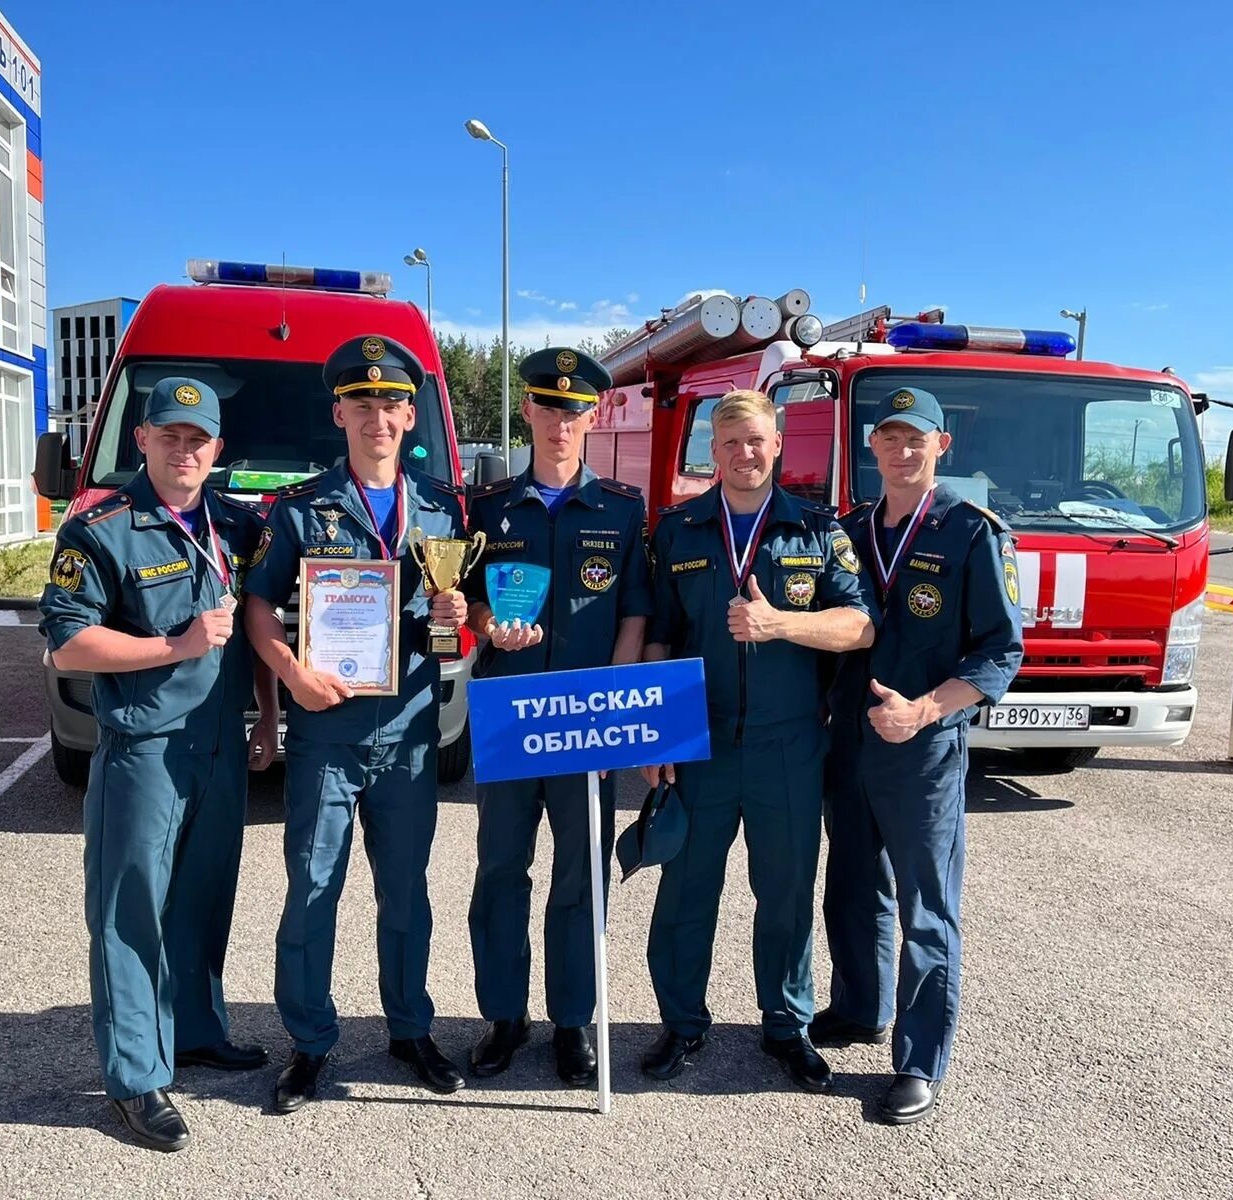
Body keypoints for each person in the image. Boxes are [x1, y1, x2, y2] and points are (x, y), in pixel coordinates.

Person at [38, 376, 279, 1153]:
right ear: (142, 440)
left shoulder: (238, 525)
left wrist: (270, 716)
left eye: (198, 438)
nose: (185, 449)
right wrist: (171, 647)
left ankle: (197, 1029)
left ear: (218, 448)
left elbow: (253, 627)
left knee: (204, 898)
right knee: (129, 912)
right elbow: (67, 643)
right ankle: (136, 1076)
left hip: (218, 743)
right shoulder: (102, 531)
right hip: (145, 747)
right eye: (170, 435)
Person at [242, 334, 470, 1113]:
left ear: (412, 416)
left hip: (408, 731)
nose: (379, 415)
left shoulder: (440, 508)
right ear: (339, 410)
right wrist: (293, 678)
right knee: (312, 889)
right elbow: (259, 606)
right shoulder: (302, 508)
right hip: (328, 733)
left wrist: (454, 616)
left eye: (393, 403)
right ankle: (309, 1044)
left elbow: (449, 636)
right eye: (364, 402)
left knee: (405, 894)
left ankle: (409, 1029)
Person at [637, 388, 875, 1092]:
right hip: (699, 740)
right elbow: (659, 635)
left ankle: (786, 1027)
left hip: (788, 744)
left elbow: (859, 627)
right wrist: (657, 737)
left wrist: (781, 625)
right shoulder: (678, 530)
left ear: (778, 446)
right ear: (715, 450)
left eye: (757, 441)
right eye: (731, 441)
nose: (745, 453)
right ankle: (681, 1024)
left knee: (786, 891)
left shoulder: (816, 531)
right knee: (687, 891)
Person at [816, 385, 1023, 1124]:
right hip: (849, 741)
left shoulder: (972, 532)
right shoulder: (845, 530)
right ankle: (858, 1009)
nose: (902, 451)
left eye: (917, 439)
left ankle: (919, 1060)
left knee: (926, 907)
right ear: (871, 447)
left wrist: (928, 709)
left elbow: (1002, 650)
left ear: (942, 447)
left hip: (924, 748)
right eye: (889, 438)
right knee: (850, 884)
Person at [460, 347, 650, 1086]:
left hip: (586, 719)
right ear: (528, 412)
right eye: (547, 406)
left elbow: (635, 608)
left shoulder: (624, 510)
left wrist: (618, 693)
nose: (560, 421)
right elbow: (464, 601)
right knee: (502, 868)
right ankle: (505, 1016)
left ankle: (573, 1020)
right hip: (510, 712)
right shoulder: (489, 508)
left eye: (574, 409)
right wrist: (484, 621)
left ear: (593, 416)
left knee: (581, 875)